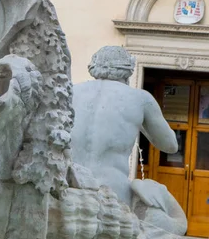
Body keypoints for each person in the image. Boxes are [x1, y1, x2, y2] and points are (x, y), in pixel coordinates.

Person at [72, 46, 178, 206]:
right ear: (129, 70)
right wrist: (142, 124)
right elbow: (170, 146)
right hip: (111, 194)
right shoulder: (140, 99)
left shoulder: (72, 92)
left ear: (93, 66)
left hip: (71, 188)